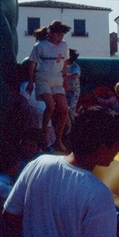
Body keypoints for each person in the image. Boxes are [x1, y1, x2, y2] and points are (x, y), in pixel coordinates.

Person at [3, 106, 119, 237]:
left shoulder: (38, 164)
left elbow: (10, 213)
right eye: (117, 145)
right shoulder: (99, 194)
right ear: (102, 147)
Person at [25, 21, 71, 152]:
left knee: (64, 109)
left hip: (57, 78)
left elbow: (64, 63)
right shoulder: (40, 46)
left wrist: (65, 79)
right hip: (43, 77)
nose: (61, 37)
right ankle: (44, 135)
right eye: (58, 34)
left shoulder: (64, 45)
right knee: (50, 105)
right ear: (51, 33)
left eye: (62, 34)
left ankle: (58, 140)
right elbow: (32, 64)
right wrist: (30, 81)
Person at [65, 48, 81, 122]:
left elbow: (75, 75)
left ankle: (73, 121)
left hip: (74, 91)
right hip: (66, 90)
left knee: (72, 108)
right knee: (65, 108)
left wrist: (66, 75)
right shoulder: (64, 66)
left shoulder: (75, 67)